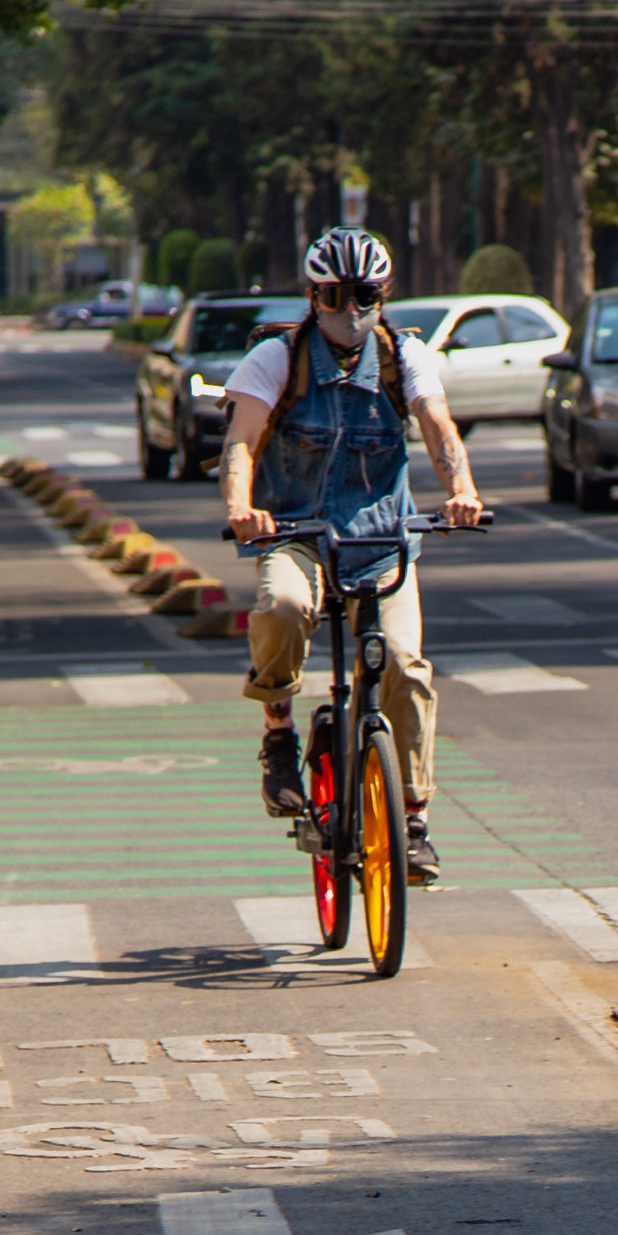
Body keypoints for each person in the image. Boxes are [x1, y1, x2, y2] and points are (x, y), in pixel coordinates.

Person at [220, 227, 484, 885]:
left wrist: (462, 489)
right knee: (281, 606)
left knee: (405, 665)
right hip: (295, 533)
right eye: (335, 296)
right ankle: (279, 733)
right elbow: (241, 444)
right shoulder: (276, 361)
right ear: (313, 296)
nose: (351, 310)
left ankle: (413, 820)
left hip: (381, 540)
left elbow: (436, 425)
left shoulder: (406, 357)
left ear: (384, 294)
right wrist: (240, 509)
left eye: (365, 295)